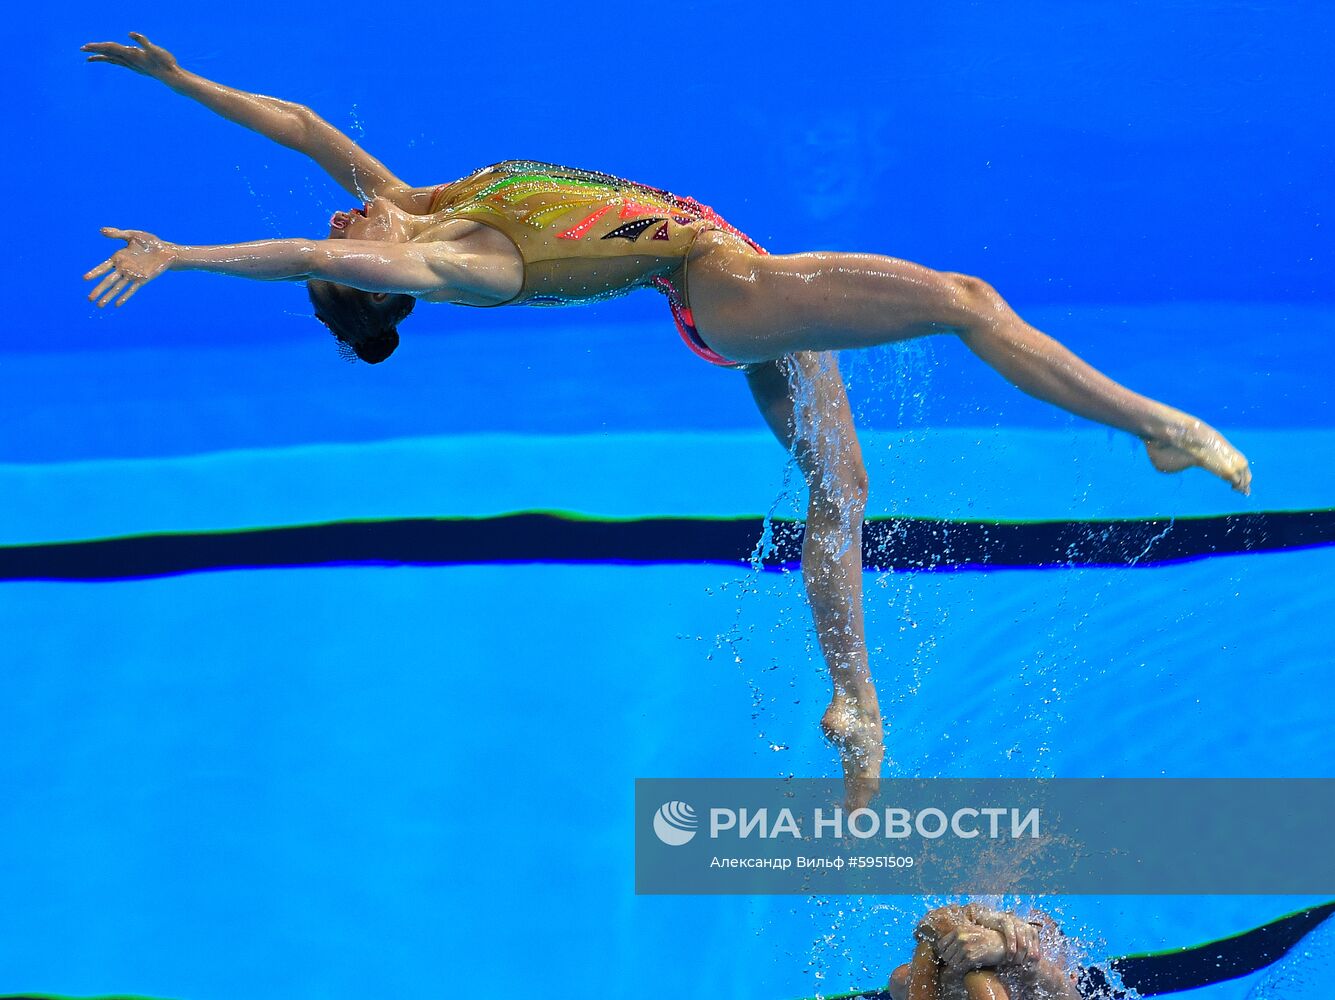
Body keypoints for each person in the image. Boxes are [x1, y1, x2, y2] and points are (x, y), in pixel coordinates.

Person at [80, 34, 1252, 810]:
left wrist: (185, 86)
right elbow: (301, 250)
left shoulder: (421, 205)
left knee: (841, 493)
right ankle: (1153, 425)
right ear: (369, 272)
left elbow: (297, 124)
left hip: (725, 294)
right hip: (727, 290)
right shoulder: (465, 266)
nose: (341, 210)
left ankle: (857, 701)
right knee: (965, 301)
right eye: (347, 239)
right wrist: (177, 255)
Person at [889, 903, 1118, 1000]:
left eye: (1037, 941)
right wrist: (990, 920)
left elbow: (1062, 991)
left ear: (1073, 975)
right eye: (1022, 935)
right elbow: (931, 924)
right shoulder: (944, 982)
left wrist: (1001, 948)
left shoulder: (1062, 988)